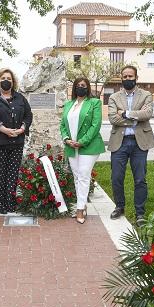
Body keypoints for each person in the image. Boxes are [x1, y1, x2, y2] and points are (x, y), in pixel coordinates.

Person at [107, 65, 154, 224]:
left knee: (140, 179)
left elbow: (147, 114)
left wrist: (126, 114)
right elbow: (113, 119)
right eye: (125, 76)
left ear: (136, 78)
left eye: (130, 76)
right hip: (119, 142)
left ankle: (140, 212)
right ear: (121, 78)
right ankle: (119, 207)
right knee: (116, 178)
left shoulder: (146, 95)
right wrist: (136, 117)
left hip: (139, 142)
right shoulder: (114, 97)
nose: (128, 79)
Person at [0, 68, 33, 214]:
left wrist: (22, 128)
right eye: (3, 78)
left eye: (9, 79)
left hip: (16, 143)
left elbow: (28, 115)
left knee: (12, 175)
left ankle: (10, 204)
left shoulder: (20, 98)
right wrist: (4, 130)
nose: (6, 81)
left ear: (13, 82)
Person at [60, 77, 105, 224]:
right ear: (74, 88)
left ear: (88, 88)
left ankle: (79, 209)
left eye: (84, 85)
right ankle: (82, 204)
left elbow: (95, 125)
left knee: (84, 176)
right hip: (71, 146)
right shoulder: (68, 104)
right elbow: (62, 125)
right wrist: (67, 139)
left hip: (89, 146)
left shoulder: (95, 103)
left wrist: (82, 142)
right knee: (77, 176)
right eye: (78, 85)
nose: (81, 87)